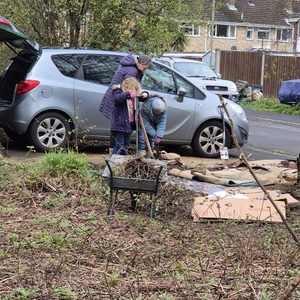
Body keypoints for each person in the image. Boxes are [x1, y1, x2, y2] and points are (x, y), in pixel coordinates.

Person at [99, 54, 153, 155]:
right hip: (121, 116)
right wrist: (132, 93)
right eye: (144, 68)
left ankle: (120, 162)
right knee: (120, 143)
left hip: (127, 120)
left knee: (124, 144)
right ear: (141, 63)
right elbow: (126, 93)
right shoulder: (131, 72)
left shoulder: (131, 68)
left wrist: (143, 95)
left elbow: (132, 93)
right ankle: (114, 161)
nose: (144, 70)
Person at [110, 77, 143, 155]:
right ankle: (114, 162)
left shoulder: (133, 98)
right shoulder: (117, 91)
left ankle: (122, 162)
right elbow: (117, 99)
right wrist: (128, 93)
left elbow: (141, 97)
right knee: (119, 144)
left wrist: (145, 95)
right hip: (120, 124)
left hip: (129, 125)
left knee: (126, 145)